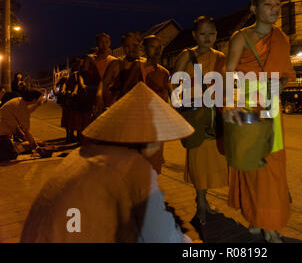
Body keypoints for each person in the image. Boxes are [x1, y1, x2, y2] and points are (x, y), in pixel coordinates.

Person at [20, 82, 195, 243]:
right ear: (148, 143)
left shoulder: (83, 154)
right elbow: (163, 237)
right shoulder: (133, 166)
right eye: (160, 144)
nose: (162, 157)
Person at [224, 0, 296, 242]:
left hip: (271, 107)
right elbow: (228, 74)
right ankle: (256, 217)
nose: (275, 9)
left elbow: (287, 74)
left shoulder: (282, 39)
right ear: (254, 9)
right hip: (246, 105)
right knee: (250, 165)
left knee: (272, 166)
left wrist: (279, 87)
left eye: (278, 4)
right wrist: (229, 106)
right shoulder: (240, 38)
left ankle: (269, 223)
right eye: (268, 5)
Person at [172, 16, 229, 224]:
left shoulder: (221, 56)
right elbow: (175, 83)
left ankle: (204, 201)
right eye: (203, 34)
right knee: (197, 161)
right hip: (195, 114)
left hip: (214, 115)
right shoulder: (186, 56)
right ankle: (200, 203)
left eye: (212, 34)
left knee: (212, 160)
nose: (208, 38)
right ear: (195, 35)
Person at [140, 35, 173, 174]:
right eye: (153, 47)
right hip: (139, 121)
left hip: (157, 123)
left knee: (153, 163)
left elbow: (172, 95)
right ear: (144, 49)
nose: (158, 51)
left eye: (160, 47)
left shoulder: (164, 72)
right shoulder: (138, 68)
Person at [96, 32, 144, 112]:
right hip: (120, 106)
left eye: (134, 45)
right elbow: (103, 83)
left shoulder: (144, 64)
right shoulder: (117, 64)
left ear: (140, 45)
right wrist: (99, 96)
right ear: (123, 48)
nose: (131, 49)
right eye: (127, 46)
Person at [0, 89, 45, 162]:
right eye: (41, 98)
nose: (42, 99)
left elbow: (26, 114)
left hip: (4, 134)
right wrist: (35, 146)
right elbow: (27, 131)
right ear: (34, 99)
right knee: (11, 155)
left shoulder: (19, 101)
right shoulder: (22, 109)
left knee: (16, 147)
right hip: (1, 135)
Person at [81, 33, 117, 122]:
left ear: (110, 43)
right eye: (101, 42)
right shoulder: (90, 59)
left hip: (108, 96)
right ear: (96, 44)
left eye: (106, 42)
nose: (104, 45)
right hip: (92, 94)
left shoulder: (113, 60)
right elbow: (83, 76)